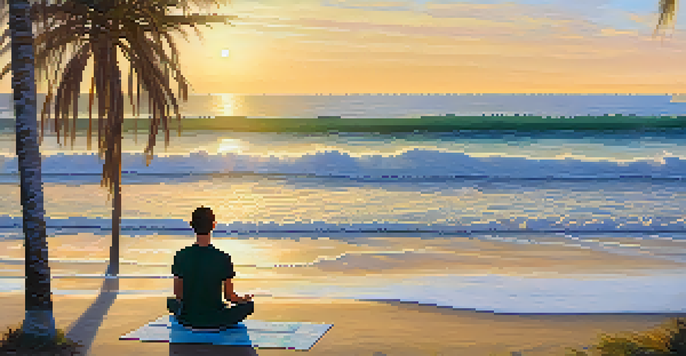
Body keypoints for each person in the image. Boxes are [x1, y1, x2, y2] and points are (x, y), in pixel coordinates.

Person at [167, 206, 254, 330]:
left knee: (171, 302)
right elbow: (229, 296)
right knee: (249, 306)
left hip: (188, 319)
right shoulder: (223, 257)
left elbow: (178, 295)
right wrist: (243, 299)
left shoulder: (181, 255)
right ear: (213, 225)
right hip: (215, 319)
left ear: (192, 225)